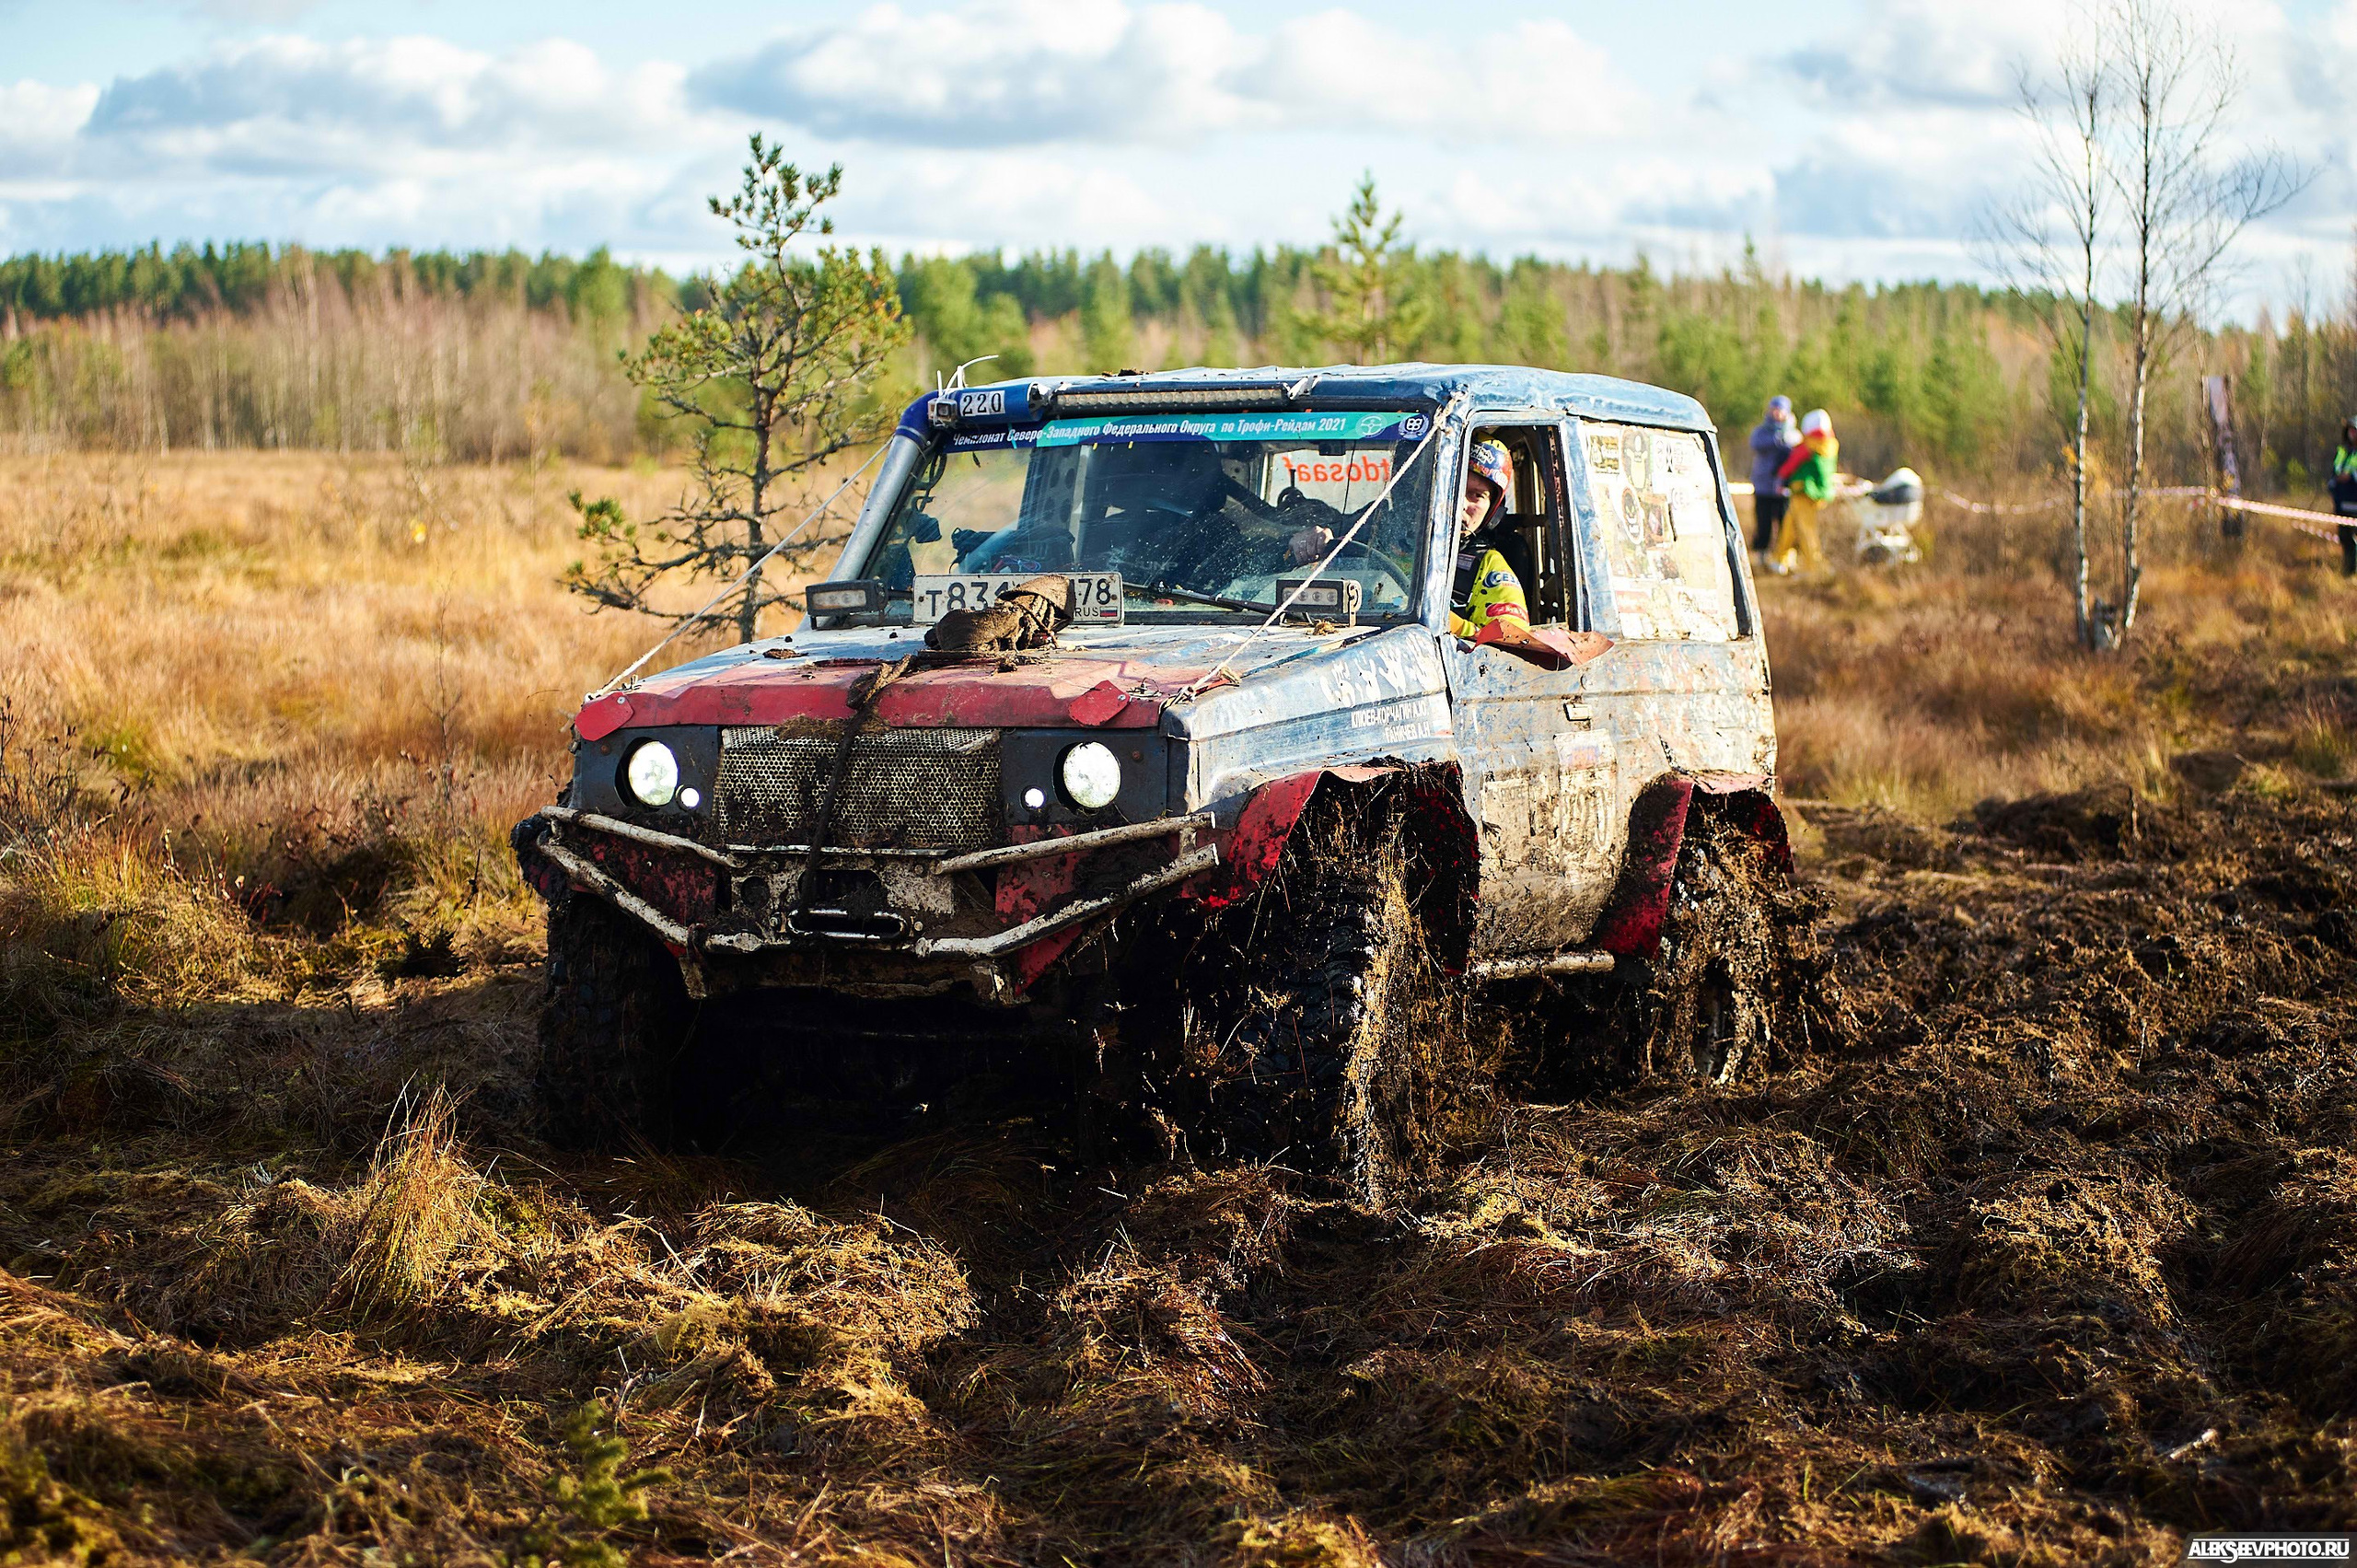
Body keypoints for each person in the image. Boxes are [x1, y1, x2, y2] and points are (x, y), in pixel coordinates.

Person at [1449, 438, 1531, 641]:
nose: (1461, 504)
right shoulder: (1380, 547)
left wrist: (1453, 626)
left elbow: (1514, 641)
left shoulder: (1490, 567)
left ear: (1492, 512)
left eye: (1476, 495)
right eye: (1453, 488)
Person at [1773, 408, 1838, 575]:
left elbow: (1791, 464)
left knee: (1806, 530)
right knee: (1790, 525)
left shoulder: (1808, 445)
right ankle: (1780, 559)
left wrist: (1781, 477)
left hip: (1804, 492)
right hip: (1818, 493)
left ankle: (1813, 567)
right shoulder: (1830, 445)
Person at [1748, 395, 1797, 563]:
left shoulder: (1793, 433)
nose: (1776, 413)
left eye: (1780, 410)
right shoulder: (1761, 431)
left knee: (1785, 523)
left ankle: (1784, 556)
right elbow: (1756, 443)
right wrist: (1778, 440)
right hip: (1763, 485)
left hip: (1784, 487)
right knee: (1763, 522)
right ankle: (1761, 554)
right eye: (1774, 409)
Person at [2332, 414, 2357, 576]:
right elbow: (2335, 471)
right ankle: (2348, 571)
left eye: (2355, 430)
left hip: (2355, 502)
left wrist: (2352, 476)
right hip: (2342, 503)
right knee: (2345, 537)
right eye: (2350, 430)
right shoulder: (2342, 450)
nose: (2352, 433)